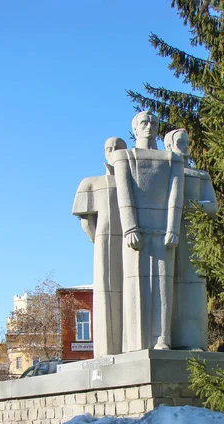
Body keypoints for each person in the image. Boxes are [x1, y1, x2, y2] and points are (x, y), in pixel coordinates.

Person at [111, 112, 185, 351]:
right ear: (135, 128)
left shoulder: (172, 159)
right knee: (136, 287)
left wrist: (172, 228)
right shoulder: (125, 157)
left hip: (163, 231)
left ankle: (162, 339)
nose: (150, 126)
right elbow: (124, 193)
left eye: (153, 122)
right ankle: (137, 341)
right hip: (137, 233)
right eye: (144, 122)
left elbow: (176, 195)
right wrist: (130, 227)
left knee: (163, 287)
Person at [72, 137, 127, 357]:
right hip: (105, 240)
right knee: (106, 291)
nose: (113, 152)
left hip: (134, 242)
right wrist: (98, 240)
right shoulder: (91, 182)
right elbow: (86, 220)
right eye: (109, 149)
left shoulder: (135, 183)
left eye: (118, 148)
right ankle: (107, 350)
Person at [164, 129, 218, 350]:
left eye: (187, 142)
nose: (185, 146)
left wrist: (191, 207)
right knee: (168, 289)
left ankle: (193, 342)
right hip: (167, 236)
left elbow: (213, 206)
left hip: (193, 235)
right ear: (169, 146)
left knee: (193, 289)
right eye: (179, 142)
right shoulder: (164, 175)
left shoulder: (199, 175)